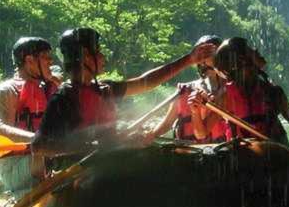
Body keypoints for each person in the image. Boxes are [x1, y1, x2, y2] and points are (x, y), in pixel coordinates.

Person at [31, 27, 217, 163]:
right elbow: (39, 146)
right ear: (85, 56)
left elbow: (147, 82)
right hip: (78, 177)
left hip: (106, 169)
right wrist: (95, 146)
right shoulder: (63, 98)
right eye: (98, 52)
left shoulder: (105, 89)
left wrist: (188, 60)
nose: (103, 57)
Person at [206, 36, 289, 173]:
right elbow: (202, 132)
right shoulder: (224, 96)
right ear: (242, 61)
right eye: (250, 50)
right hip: (245, 163)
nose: (256, 50)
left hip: (277, 157)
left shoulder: (273, 92)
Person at [0, 36, 60, 194]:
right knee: (53, 155)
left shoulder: (50, 88)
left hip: (45, 154)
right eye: (45, 57)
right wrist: (37, 139)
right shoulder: (6, 92)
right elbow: (1, 129)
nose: (51, 62)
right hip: (15, 165)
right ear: (29, 61)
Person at [148, 35, 228, 143]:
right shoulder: (185, 90)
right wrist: (151, 135)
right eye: (202, 52)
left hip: (223, 151)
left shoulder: (231, 90)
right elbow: (167, 123)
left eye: (211, 52)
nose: (206, 57)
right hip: (190, 152)